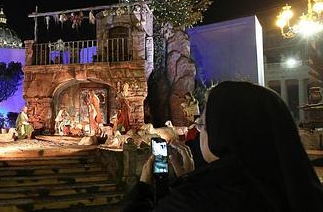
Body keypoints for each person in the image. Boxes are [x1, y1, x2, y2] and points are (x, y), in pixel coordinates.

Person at [122, 81, 323, 212]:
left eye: (202, 124)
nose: (198, 130)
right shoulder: (301, 191)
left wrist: (143, 187)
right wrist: (189, 180)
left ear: (223, 135)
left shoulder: (198, 201)